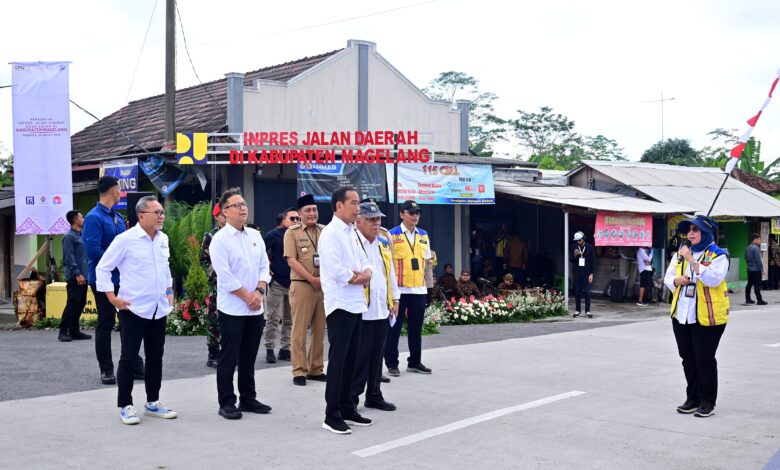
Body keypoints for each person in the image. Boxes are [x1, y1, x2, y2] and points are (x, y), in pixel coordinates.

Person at [95, 196, 176, 425]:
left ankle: (152, 402)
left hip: (158, 308)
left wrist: (169, 290)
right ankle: (125, 405)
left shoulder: (163, 239)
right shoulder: (125, 240)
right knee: (129, 358)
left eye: (162, 212)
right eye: (156, 212)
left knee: (155, 357)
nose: (161, 216)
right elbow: (104, 268)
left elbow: (165, 267)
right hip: (133, 308)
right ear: (141, 215)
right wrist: (112, 297)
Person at [208, 188, 273, 420]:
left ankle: (248, 397)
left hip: (256, 306)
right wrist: (248, 296)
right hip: (233, 308)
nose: (243, 208)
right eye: (237, 205)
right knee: (229, 355)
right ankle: (226, 401)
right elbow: (225, 277)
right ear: (225, 212)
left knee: (248, 355)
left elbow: (265, 266)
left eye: (244, 204)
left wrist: (259, 290)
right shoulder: (219, 240)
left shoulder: (255, 235)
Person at [664, 215, 729, 418]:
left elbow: (713, 279)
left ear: (706, 232)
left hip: (707, 316)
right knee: (688, 358)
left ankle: (707, 401)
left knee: (704, 359)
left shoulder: (719, 255)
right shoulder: (680, 253)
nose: (690, 233)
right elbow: (667, 278)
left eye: (695, 229)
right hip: (682, 314)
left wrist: (692, 261)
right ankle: (692, 398)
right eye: (689, 230)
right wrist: (677, 280)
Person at [319, 186, 372, 434]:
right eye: (353, 202)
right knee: (339, 362)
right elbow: (335, 269)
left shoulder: (352, 232)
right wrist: (359, 278)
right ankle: (332, 414)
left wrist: (366, 273)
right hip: (340, 304)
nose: (357, 207)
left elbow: (364, 261)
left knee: (353, 359)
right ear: (339, 205)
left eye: (358, 202)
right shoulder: (331, 233)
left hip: (356, 303)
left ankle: (348, 407)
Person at [83, 175, 143, 385]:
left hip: (123, 278)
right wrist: (116, 262)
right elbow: (92, 251)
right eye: (119, 190)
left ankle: (133, 364)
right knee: (106, 322)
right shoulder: (93, 217)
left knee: (130, 321)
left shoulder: (117, 217)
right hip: (102, 278)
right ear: (113, 192)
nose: (121, 193)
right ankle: (106, 369)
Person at [350, 201, 400, 413]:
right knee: (360, 357)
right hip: (361, 308)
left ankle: (374, 395)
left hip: (381, 307)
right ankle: (352, 398)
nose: (376, 223)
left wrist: (395, 299)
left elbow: (390, 273)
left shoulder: (382, 244)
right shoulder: (353, 242)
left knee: (376, 355)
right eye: (371, 219)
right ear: (358, 221)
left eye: (378, 219)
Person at [385, 200, 433, 377]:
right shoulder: (392, 235)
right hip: (399, 290)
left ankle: (414, 361)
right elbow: (387, 264)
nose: (415, 216)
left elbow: (427, 264)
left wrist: (429, 289)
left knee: (416, 328)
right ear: (402, 214)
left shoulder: (423, 235)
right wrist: (390, 292)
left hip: (418, 290)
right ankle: (391, 363)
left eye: (417, 213)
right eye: (411, 213)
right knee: (394, 328)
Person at [284, 194, 327, 386]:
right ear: (300, 214)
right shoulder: (292, 233)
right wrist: (311, 279)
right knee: (299, 330)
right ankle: (299, 370)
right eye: (308, 210)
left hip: (323, 286)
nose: (312, 213)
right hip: (302, 285)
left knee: (319, 329)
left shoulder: (325, 231)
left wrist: (322, 280)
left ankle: (316, 369)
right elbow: (291, 260)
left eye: (314, 209)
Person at [262, 207, 298, 364]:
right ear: (284, 221)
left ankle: (285, 349)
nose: (296, 221)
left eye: (298, 219)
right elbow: (260, 252)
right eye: (292, 218)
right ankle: (270, 349)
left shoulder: (300, 235)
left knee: (290, 319)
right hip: (277, 282)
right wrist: (266, 269)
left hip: (294, 283)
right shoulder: (274, 235)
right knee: (273, 318)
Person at [200, 202, 227, 368]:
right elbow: (203, 260)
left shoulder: (237, 234)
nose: (225, 217)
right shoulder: (211, 236)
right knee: (214, 317)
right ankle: (213, 353)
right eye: (222, 215)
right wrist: (216, 274)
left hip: (236, 285)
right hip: (216, 284)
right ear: (216, 217)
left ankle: (229, 351)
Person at [58, 210, 91, 342]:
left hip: (84, 275)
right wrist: (77, 274)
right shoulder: (69, 237)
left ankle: (74, 331)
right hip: (75, 276)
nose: (83, 219)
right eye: (82, 217)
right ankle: (63, 331)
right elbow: (69, 258)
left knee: (80, 303)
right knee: (72, 303)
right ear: (75, 220)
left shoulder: (80, 235)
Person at [571, 231, 595, 318]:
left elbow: (592, 261)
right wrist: (575, 255)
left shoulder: (590, 247)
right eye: (577, 241)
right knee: (577, 292)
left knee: (587, 293)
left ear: (583, 239)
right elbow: (571, 259)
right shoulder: (574, 247)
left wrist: (591, 273)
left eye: (580, 240)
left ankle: (587, 311)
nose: (578, 242)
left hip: (587, 273)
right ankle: (577, 310)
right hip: (577, 273)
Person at [745, 233, 767, 305]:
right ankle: (759, 300)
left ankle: (748, 299)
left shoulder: (747, 248)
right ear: (755, 239)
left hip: (749, 269)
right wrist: (762, 270)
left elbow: (745, 258)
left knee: (749, 284)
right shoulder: (756, 248)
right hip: (756, 270)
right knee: (757, 285)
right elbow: (758, 260)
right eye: (759, 240)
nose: (760, 241)